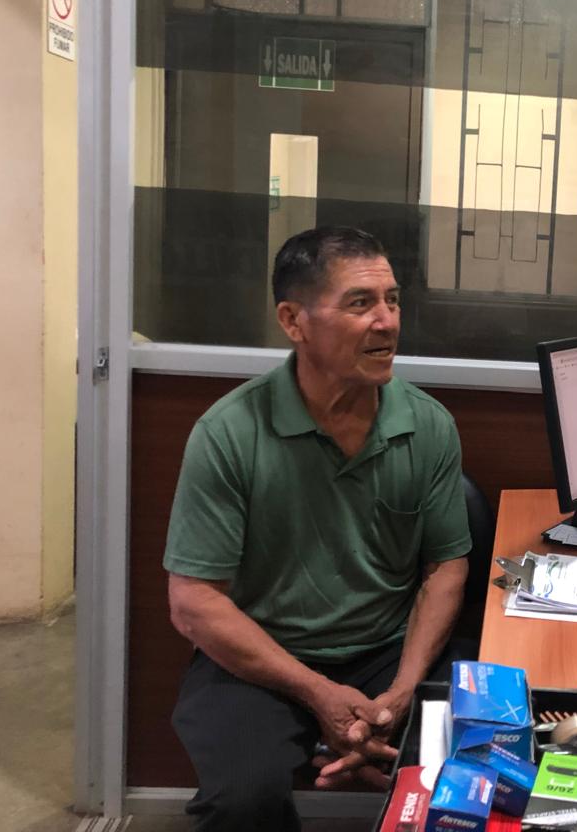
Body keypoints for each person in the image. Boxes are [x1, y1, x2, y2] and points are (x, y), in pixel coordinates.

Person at [163, 226, 471, 830]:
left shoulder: (428, 424)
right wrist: (318, 693)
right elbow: (194, 602)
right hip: (263, 659)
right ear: (293, 320)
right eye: (360, 303)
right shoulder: (229, 432)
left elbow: (444, 567)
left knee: (483, 759)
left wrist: (402, 691)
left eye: (392, 300)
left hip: (389, 652)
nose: (387, 321)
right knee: (241, 801)